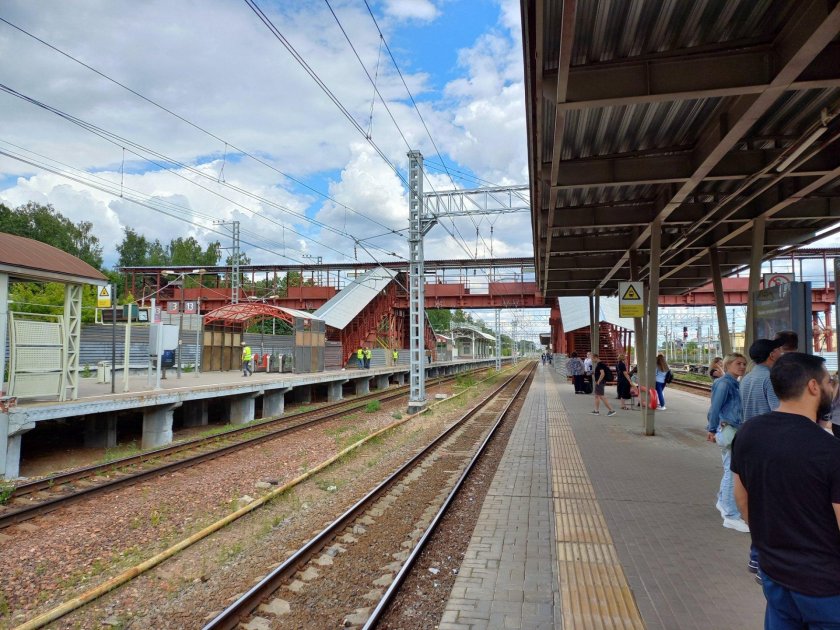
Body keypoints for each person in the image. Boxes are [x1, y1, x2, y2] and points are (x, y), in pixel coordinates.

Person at [731, 352, 840, 627]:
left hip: (774, 572)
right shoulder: (830, 450)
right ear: (813, 386)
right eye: (829, 382)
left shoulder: (748, 433)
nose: (832, 388)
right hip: (826, 585)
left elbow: (741, 500)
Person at [739, 338, 784, 581]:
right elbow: (779, 412)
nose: (781, 352)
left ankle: (755, 555)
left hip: (750, 442)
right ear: (772, 354)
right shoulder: (769, 379)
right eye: (779, 349)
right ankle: (761, 559)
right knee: (771, 504)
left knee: (758, 501)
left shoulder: (747, 378)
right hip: (769, 444)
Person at [707, 352, 748, 532]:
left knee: (728, 469)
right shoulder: (724, 383)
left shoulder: (733, 383)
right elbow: (714, 408)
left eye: (744, 364)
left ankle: (722, 501)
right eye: (738, 363)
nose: (742, 367)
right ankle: (730, 515)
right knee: (732, 472)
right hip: (728, 429)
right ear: (728, 365)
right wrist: (711, 428)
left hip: (731, 429)